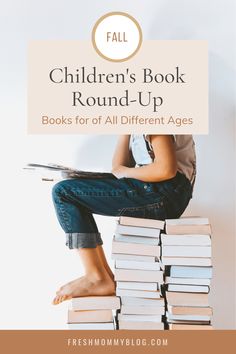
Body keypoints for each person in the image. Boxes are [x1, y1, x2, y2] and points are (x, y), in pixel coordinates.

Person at [52, 134, 196, 305]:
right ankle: (102, 276)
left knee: (64, 193)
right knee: (72, 193)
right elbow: (118, 168)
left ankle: (95, 276)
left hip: (163, 192)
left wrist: (126, 172)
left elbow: (165, 169)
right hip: (162, 192)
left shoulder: (154, 115)